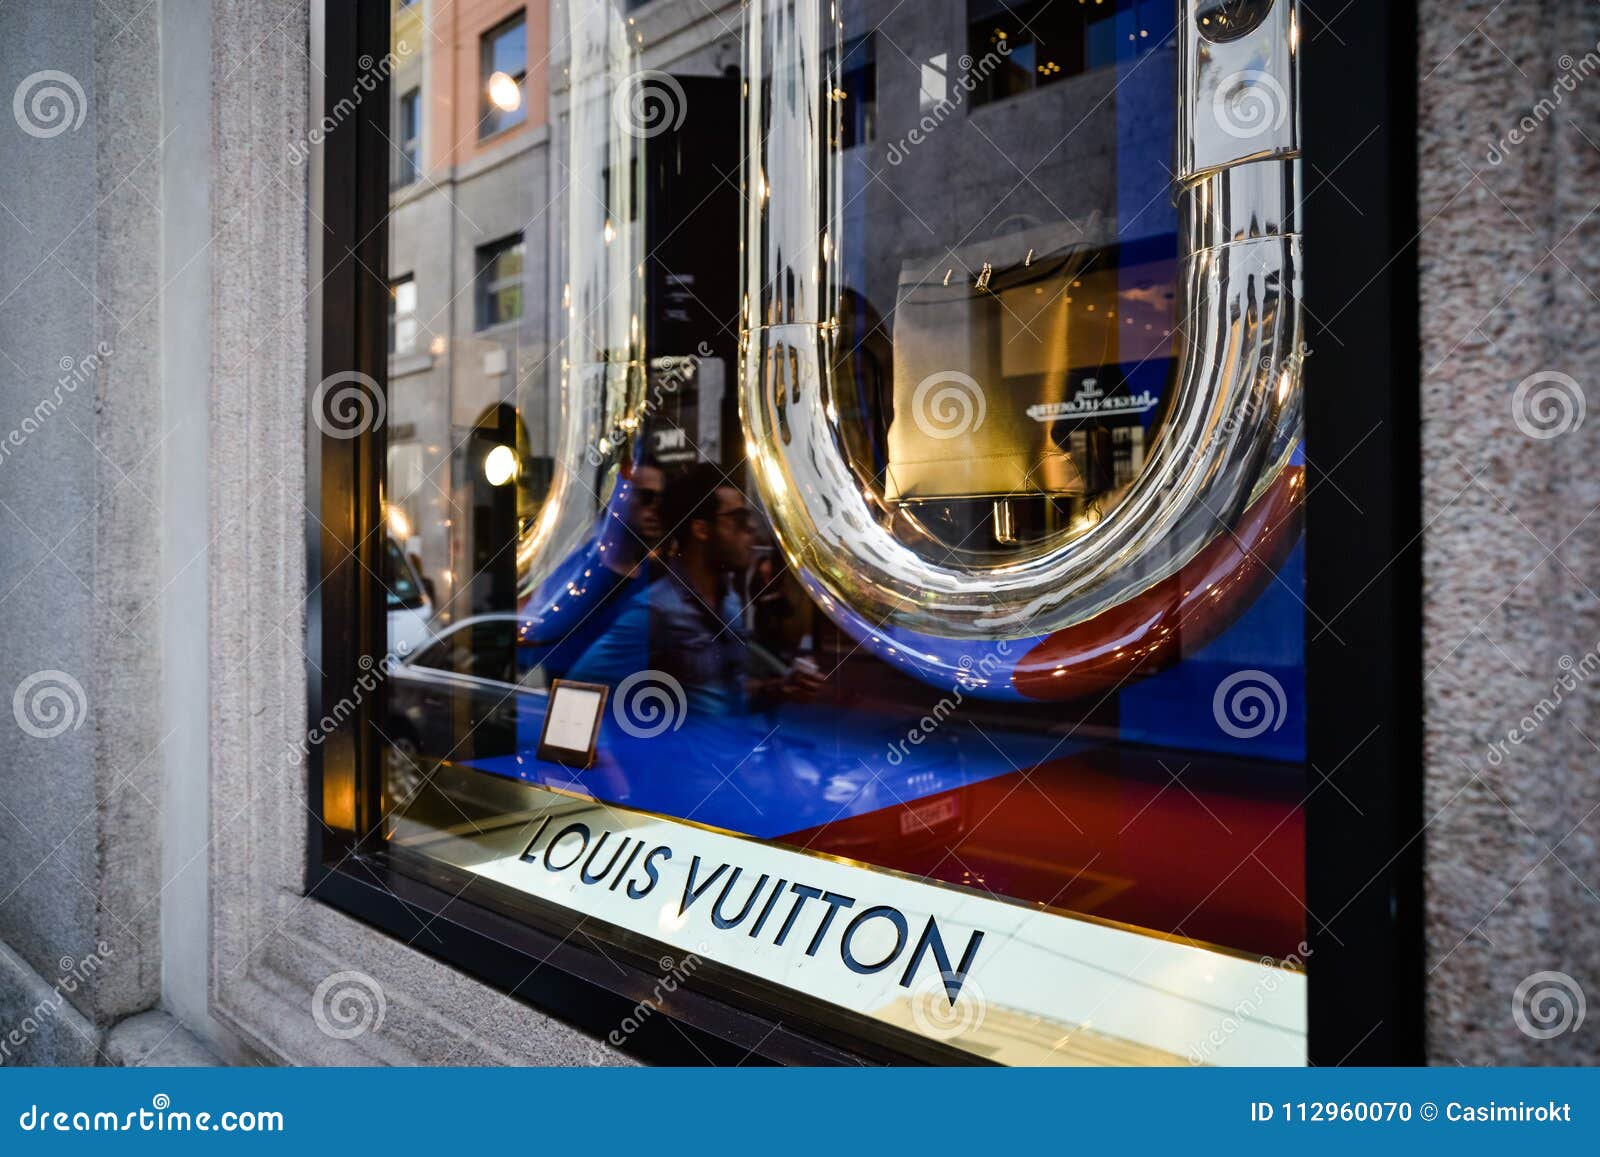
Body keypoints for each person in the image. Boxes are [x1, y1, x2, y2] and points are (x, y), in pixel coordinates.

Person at [566, 463, 824, 716]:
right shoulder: (658, 610)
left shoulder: (730, 602)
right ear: (701, 529)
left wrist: (777, 688)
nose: (751, 529)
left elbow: (723, 694)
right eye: (738, 519)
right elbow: (577, 688)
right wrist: (612, 755)